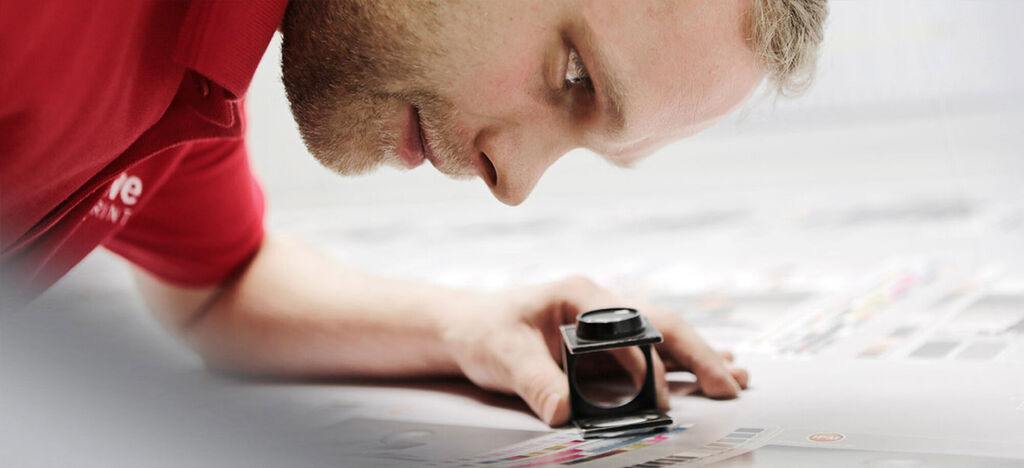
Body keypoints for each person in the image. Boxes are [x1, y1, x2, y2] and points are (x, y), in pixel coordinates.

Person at [0, 0, 827, 426]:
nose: (515, 185)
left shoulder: (195, 85)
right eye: (574, 72)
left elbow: (220, 285)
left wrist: (465, 329)